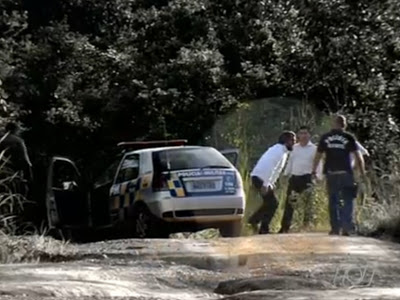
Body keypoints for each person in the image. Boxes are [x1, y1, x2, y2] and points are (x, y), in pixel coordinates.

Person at [311, 115, 366, 236]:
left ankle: (335, 228)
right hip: (346, 173)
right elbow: (358, 156)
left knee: (333, 200)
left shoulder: (326, 137)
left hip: (331, 173)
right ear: (344, 124)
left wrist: (314, 171)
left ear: (333, 124)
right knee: (348, 200)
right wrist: (362, 173)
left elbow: (318, 155)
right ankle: (346, 227)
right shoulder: (348, 137)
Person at [248, 131, 296, 234]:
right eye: (292, 140)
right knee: (273, 203)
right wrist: (265, 184)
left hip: (261, 177)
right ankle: (261, 227)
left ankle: (255, 221)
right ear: (286, 141)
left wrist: (271, 183)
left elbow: (276, 170)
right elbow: (270, 168)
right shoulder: (278, 151)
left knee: (270, 203)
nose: (294, 143)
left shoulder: (280, 150)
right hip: (261, 177)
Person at [279, 126, 322, 233]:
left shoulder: (314, 149)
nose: (303, 136)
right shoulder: (295, 148)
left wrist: (318, 177)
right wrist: (285, 174)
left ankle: (306, 227)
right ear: (298, 135)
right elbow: (290, 162)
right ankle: (284, 227)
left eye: (305, 133)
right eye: (301, 133)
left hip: (308, 178)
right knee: (290, 203)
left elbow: (319, 163)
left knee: (308, 204)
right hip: (295, 178)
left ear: (309, 135)